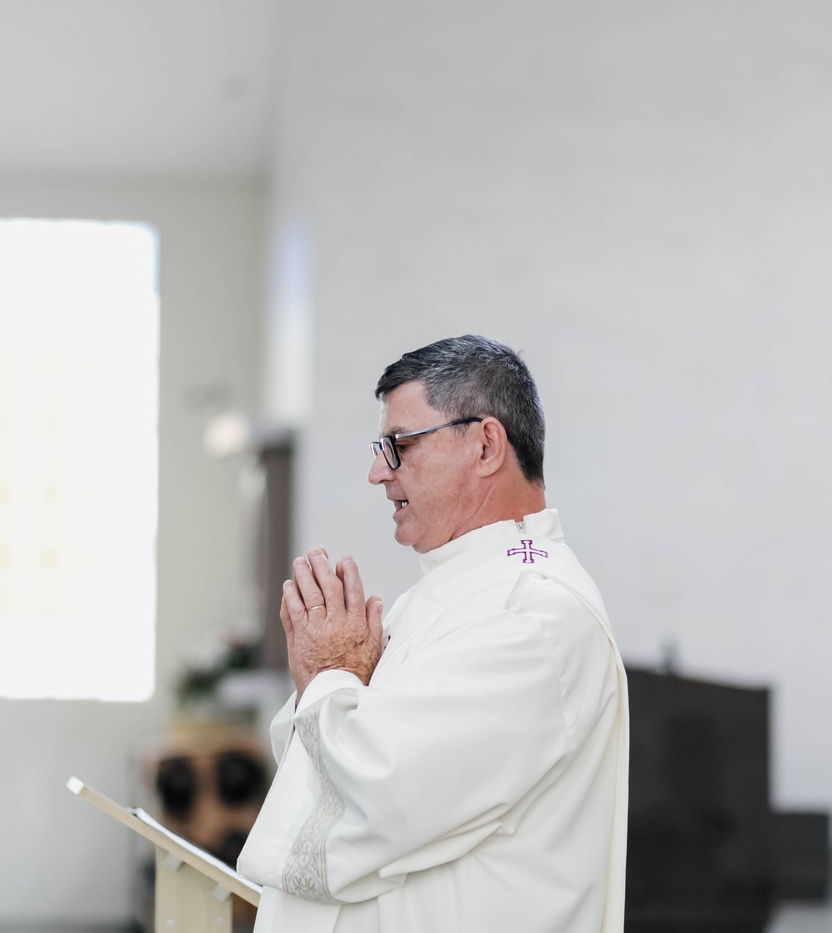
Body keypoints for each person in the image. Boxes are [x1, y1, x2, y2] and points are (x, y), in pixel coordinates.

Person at [238, 336, 629, 933]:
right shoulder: (456, 592)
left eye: (400, 446)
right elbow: (335, 766)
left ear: (485, 445)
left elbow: (382, 797)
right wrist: (334, 684)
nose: (378, 473)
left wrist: (331, 677)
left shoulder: (534, 615)